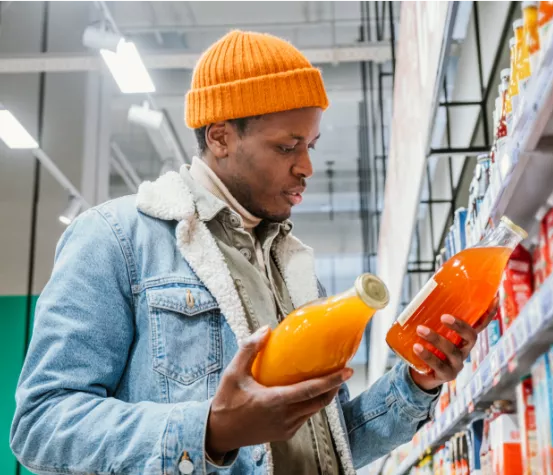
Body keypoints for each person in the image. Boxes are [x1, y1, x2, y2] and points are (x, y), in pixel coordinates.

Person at [10, 30, 494, 475]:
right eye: (288, 147)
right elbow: (41, 423)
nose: (307, 166)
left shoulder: (294, 268)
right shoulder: (115, 238)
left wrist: (417, 382)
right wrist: (210, 430)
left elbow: (325, 441)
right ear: (220, 137)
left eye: (311, 145)